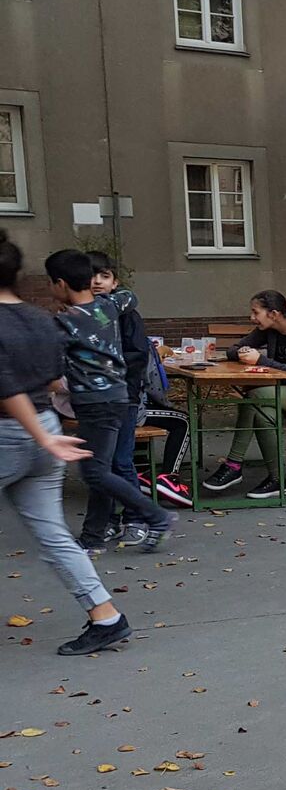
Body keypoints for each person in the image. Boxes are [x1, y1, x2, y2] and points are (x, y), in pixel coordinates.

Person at [0, 234, 134, 654]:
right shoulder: (41, 319)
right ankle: (105, 616)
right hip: (44, 429)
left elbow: (7, 386)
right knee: (54, 534)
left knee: (56, 531)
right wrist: (45, 431)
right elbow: (53, 376)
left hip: (16, 432)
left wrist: (41, 434)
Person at [43, 249, 170, 553]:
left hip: (94, 403)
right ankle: (93, 537)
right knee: (99, 468)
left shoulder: (64, 324)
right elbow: (131, 297)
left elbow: (51, 372)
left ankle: (156, 516)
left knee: (97, 471)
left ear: (60, 284)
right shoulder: (109, 307)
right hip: (117, 398)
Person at [201, 292, 286, 500]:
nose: (252, 318)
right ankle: (277, 480)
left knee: (255, 395)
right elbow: (234, 349)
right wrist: (244, 351)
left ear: (274, 313)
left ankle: (233, 464)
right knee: (264, 414)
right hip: (278, 393)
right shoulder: (269, 330)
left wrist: (261, 361)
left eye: (256, 312)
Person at [87, 256, 151, 538]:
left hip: (123, 397)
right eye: (92, 276)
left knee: (121, 460)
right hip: (97, 399)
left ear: (115, 282)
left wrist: (104, 369)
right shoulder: (85, 315)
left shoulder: (126, 315)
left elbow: (137, 356)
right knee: (104, 462)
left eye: (104, 276)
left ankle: (138, 517)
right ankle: (111, 519)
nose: (97, 281)